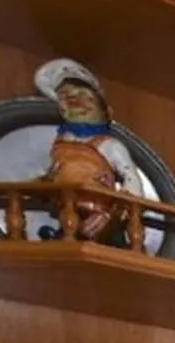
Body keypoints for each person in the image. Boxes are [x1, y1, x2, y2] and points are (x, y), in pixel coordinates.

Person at [35, 58, 146, 241]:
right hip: (66, 208)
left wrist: (119, 210)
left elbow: (131, 179)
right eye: (65, 96)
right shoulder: (61, 143)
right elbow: (54, 173)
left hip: (98, 209)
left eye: (84, 96)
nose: (74, 101)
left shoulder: (109, 145)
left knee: (97, 236)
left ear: (107, 112)